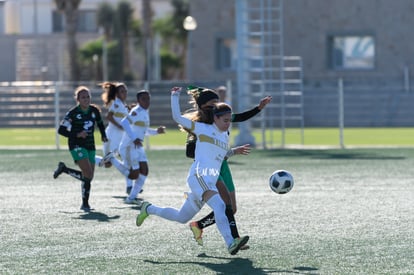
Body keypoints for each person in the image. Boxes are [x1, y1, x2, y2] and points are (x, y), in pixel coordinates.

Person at [135, 87, 250, 255]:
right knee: (220, 205)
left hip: (208, 180)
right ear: (216, 118)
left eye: (229, 121)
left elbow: (220, 155)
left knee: (182, 217)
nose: (228, 124)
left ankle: (149, 208)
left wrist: (234, 151)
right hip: (199, 176)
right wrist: (174, 96)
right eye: (225, 120)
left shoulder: (224, 136)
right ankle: (231, 242)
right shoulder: (202, 128)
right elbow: (177, 117)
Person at [186, 85, 272, 248]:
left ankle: (198, 225)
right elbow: (189, 152)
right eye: (213, 103)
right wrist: (209, 150)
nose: (216, 105)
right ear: (204, 106)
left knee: (231, 208)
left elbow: (239, 117)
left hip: (223, 165)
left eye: (218, 102)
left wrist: (259, 108)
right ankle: (234, 240)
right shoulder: (199, 126)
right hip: (210, 169)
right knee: (224, 204)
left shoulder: (220, 116)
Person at [103, 90, 165, 204]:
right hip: (129, 146)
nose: (147, 101)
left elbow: (143, 130)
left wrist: (157, 131)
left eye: (148, 99)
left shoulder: (145, 112)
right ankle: (112, 158)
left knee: (145, 171)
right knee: (133, 175)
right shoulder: (136, 111)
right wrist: (134, 138)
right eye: (144, 99)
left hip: (137, 146)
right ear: (138, 101)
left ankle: (131, 198)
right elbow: (124, 122)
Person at [53, 86, 108, 212]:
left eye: (88, 96)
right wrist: (77, 134)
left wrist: (103, 135)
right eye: (83, 97)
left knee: (89, 177)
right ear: (78, 99)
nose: (86, 99)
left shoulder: (94, 110)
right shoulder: (72, 113)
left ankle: (65, 170)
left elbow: (100, 123)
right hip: (76, 145)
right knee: (87, 173)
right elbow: (61, 130)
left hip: (90, 145)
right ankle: (85, 204)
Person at [97, 82, 134, 194]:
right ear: (117, 94)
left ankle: (129, 186)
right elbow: (109, 116)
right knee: (110, 161)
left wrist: (130, 109)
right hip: (113, 136)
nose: (125, 93)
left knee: (120, 161)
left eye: (125, 91)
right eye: (122, 91)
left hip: (121, 137)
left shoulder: (122, 105)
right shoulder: (116, 104)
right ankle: (91, 158)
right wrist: (118, 126)